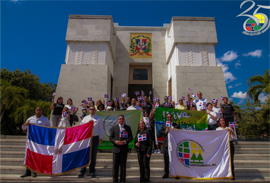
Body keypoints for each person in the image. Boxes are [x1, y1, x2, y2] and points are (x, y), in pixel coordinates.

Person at [20, 107, 51, 178]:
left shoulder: (45, 119)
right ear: (35, 111)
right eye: (37, 110)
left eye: (40, 110)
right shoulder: (30, 119)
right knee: (28, 155)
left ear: (41, 111)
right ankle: (27, 171)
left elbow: (49, 128)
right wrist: (25, 124)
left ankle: (34, 171)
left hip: (39, 141)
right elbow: (23, 128)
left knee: (36, 155)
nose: (38, 111)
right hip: (30, 140)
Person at [78, 106, 103, 178]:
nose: (92, 111)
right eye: (90, 109)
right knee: (85, 154)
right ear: (89, 110)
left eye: (93, 109)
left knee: (93, 155)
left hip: (95, 138)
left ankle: (92, 171)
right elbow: (81, 126)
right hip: (87, 138)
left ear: (95, 110)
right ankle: (82, 170)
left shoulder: (98, 118)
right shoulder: (85, 118)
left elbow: (101, 129)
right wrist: (87, 124)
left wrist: (100, 137)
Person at [109, 115, 133, 182]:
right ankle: (115, 179)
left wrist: (125, 142)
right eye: (120, 119)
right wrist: (115, 141)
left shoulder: (128, 128)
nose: (121, 120)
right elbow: (110, 138)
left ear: (124, 120)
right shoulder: (114, 127)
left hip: (124, 149)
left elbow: (130, 137)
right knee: (115, 166)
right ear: (118, 120)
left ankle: (122, 180)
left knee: (123, 166)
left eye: (122, 119)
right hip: (116, 149)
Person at [159, 113, 180, 179]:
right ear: (166, 118)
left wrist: (173, 129)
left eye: (170, 117)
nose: (169, 118)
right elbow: (160, 132)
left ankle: (175, 173)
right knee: (166, 159)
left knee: (175, 159)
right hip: (166, 145)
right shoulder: (164, 125)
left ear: (172, 118)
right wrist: (166, 131)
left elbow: (179, 131)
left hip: (174, 145)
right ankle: (166, 173)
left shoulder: (176, 125)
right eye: (168, 117)